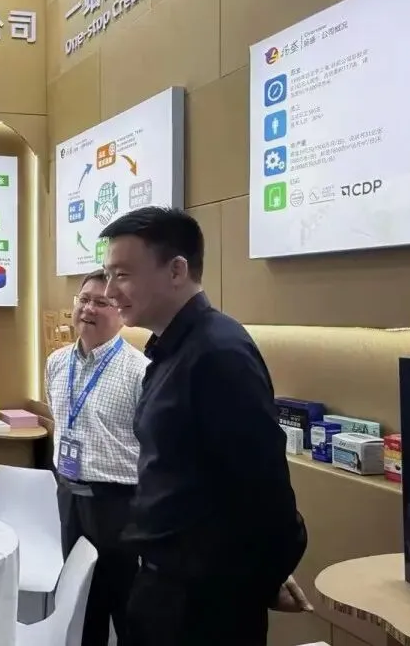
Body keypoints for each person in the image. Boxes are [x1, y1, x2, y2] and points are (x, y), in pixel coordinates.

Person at [98, 206, 311, 646]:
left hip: (202, 606)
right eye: (107, 275)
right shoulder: (169, 350)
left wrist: (261, 577)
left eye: (122, 275)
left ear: (176, 270)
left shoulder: (218, 353)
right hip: (164, 589)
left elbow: (264, 488)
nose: (109, 290)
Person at [45, 269, 148, 646]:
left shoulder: (140, 371)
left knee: (124, 603)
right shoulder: (57, 362)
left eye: (101, 302)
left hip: (118, 504)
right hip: (69, 495)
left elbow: (152, 445)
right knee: (80, 600)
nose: (88, 309)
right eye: (83, 300)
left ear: (121, 311)